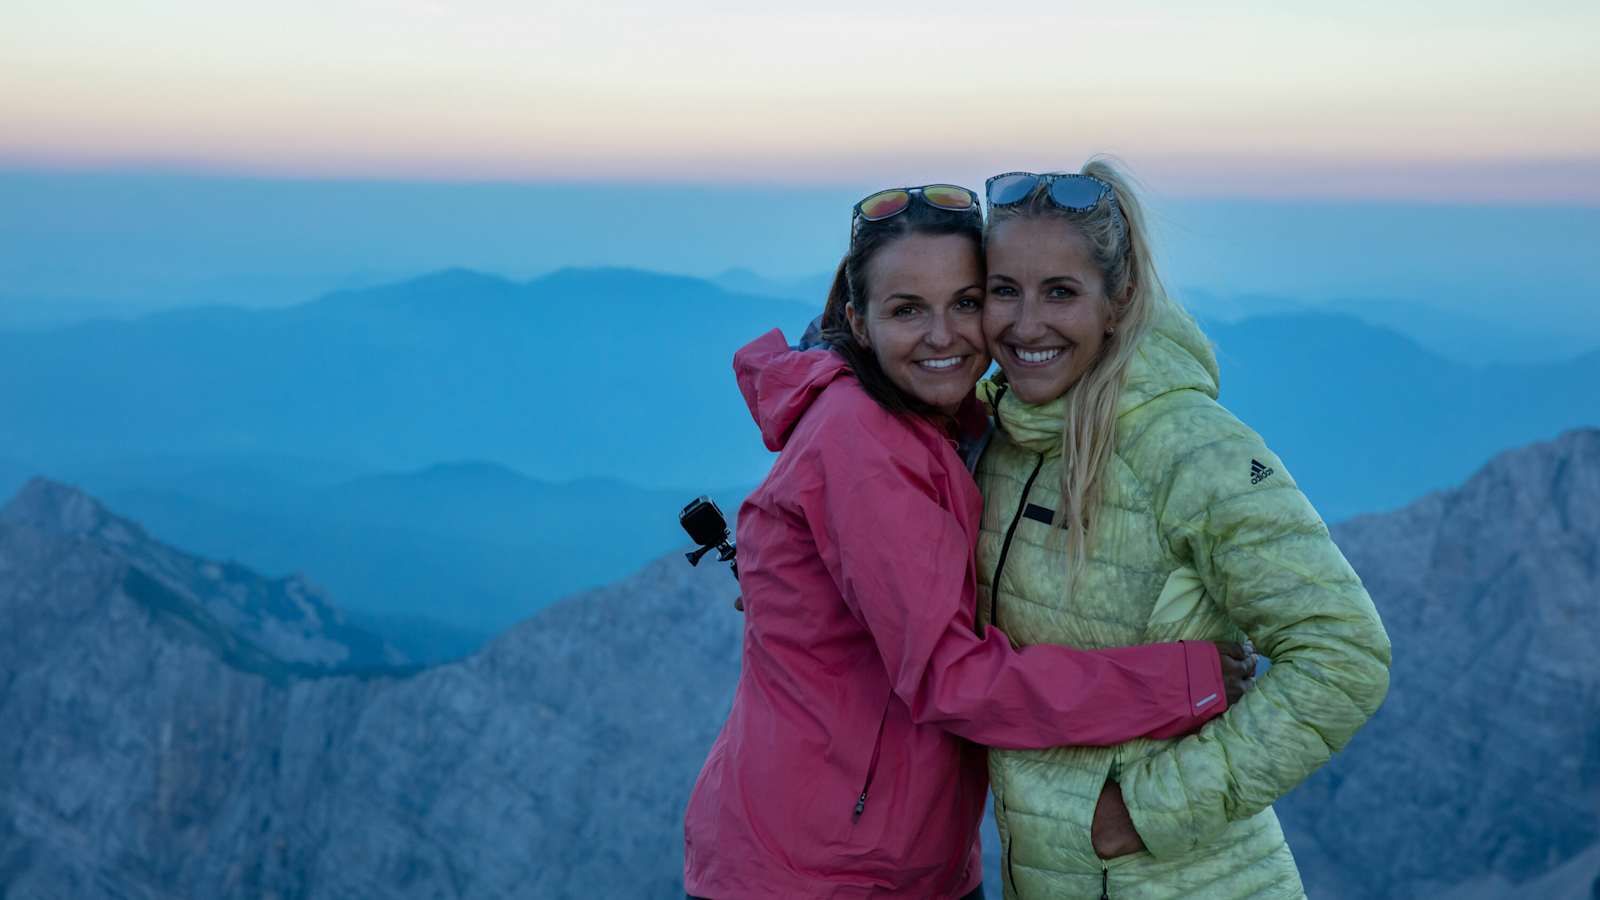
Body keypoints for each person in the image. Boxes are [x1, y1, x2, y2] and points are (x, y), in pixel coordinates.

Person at [683, 184, 1253, 900]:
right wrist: (1179, 682)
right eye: (907, 310)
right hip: (822, 874)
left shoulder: (942, 423)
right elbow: (953, 677)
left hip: (896, 856)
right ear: (858, 323)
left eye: (967, 302)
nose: (944, 335)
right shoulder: (862, 440)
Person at [973, 161, 1392, 899]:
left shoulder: (1191, 446)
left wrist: (1143, 811)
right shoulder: (1002, 436)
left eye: (1061, 292)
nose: (1025, 324)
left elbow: (1346, 654)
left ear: (1119, 300)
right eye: (1005, 290)